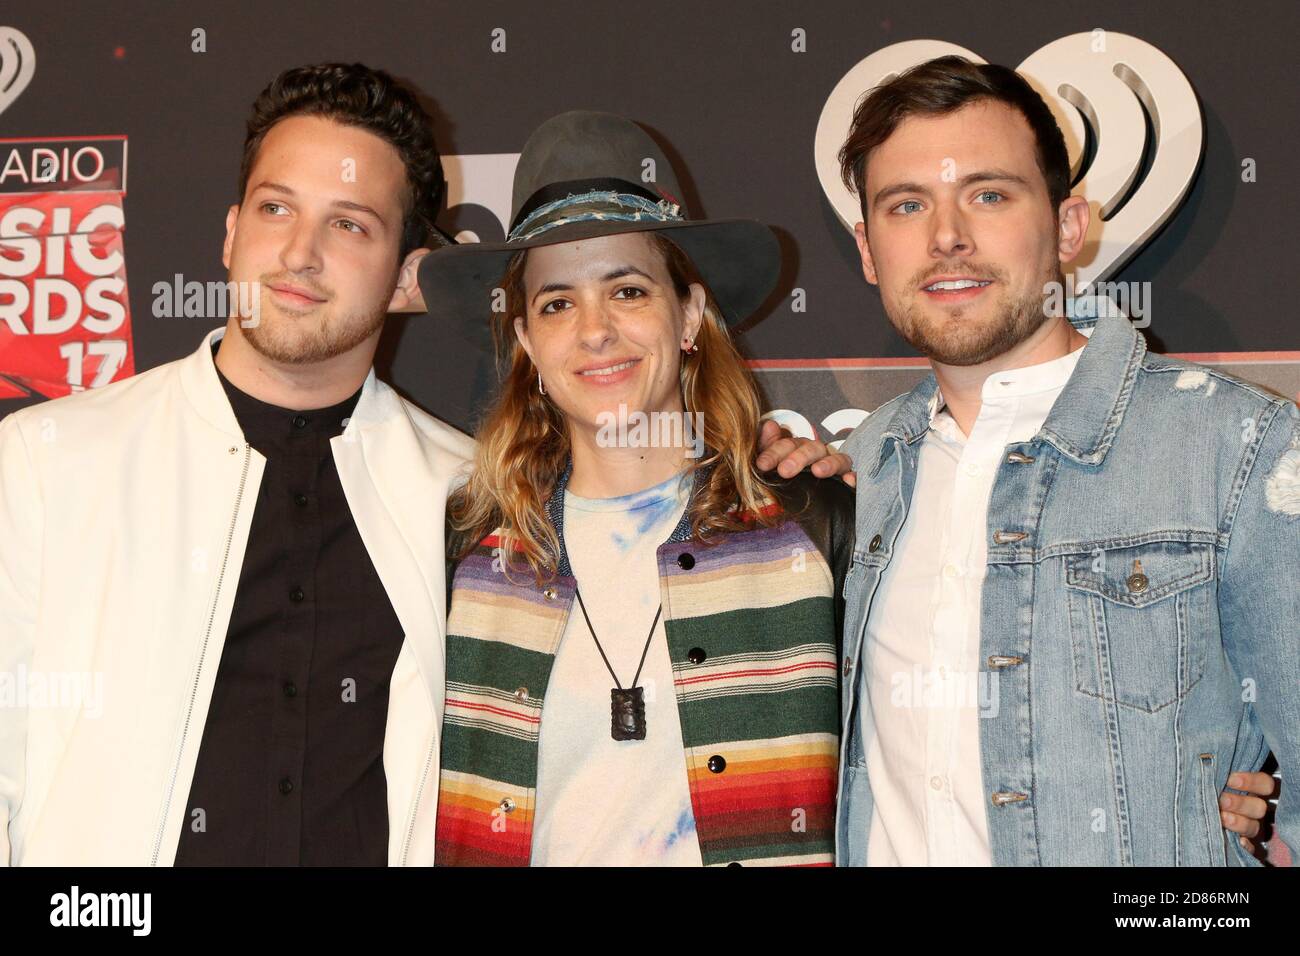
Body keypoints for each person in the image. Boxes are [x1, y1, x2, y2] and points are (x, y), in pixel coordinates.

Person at [0, 62, 475, 865]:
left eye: (350, 224)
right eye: (276, 208)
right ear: (230, 233)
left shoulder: (463, 493)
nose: (299, 253)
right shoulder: (46, 463)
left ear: (405, 277)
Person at [828, 56, 1294, 866]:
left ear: (1069, 226)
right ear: (870, 250)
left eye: (989, 195)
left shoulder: (1238, 449)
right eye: (908, 206)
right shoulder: (853, 477)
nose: (947, 237)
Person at [419, 111, 854, 866]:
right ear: (525, 342)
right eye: (557, 303)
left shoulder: (812, 523)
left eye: (627, 290)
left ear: (688, 316)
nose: (594, 331)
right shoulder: (463, 552)